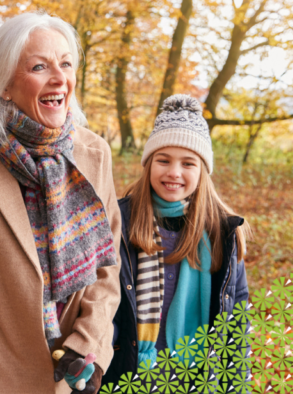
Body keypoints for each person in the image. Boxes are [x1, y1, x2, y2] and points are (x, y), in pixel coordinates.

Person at [0, 12, 122, 394]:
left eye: (65, 63)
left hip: (70, 377)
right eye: (39, 66)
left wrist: (88, 344)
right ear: (4, 86)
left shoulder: (94, 153)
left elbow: (106, 269)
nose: (60, 77)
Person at [103, 95, 252, 390]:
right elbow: (104, 304)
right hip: (130, 374)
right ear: (148, 164)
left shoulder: (222, 233)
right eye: (163, 160)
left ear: (202, 171)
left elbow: (236, 318)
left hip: (195, 379)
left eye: (188, 163)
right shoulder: (119, 222)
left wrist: (236, 383)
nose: (174, 172)